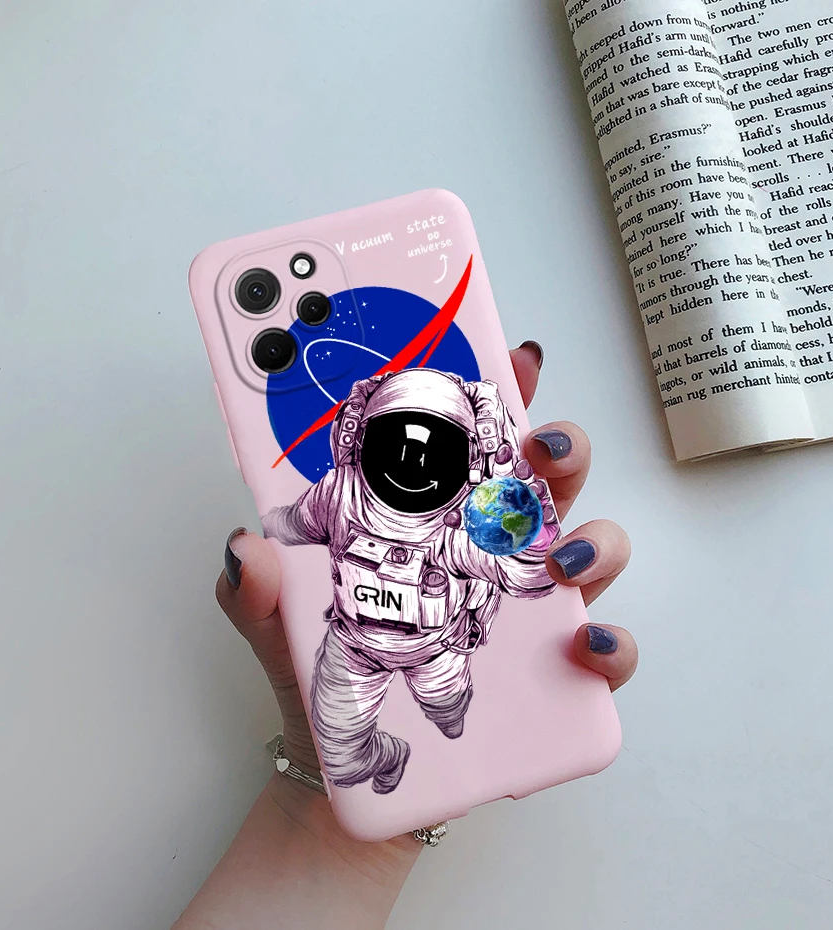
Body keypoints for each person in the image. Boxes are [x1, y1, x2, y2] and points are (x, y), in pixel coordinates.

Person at [172, 342, 637, 930]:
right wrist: (269, 534)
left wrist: (517, 508)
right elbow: (291, 523)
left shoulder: (467, 522)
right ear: (358, 439)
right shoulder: (339, 495)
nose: (415, 454)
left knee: (452, 716)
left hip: (437, 649)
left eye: (435, 443)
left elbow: (528, 572)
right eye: (398, 436)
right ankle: (385, 753)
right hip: (353, 648)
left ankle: (451, 732)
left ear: (467, 458)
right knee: (341, 747)